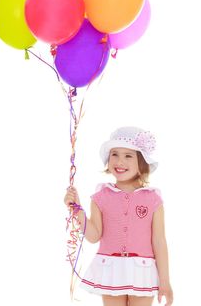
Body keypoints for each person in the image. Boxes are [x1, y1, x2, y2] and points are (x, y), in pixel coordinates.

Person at [64, 126, 173, 306]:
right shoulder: (101, 196)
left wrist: (165, 281)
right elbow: (93, 236)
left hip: (143, 270)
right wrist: (76, 209)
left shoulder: (153, 199)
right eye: (114, 154)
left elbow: (159, 241)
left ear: (142, 163)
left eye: (128, 156)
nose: (119, 161)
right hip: (111, 268)